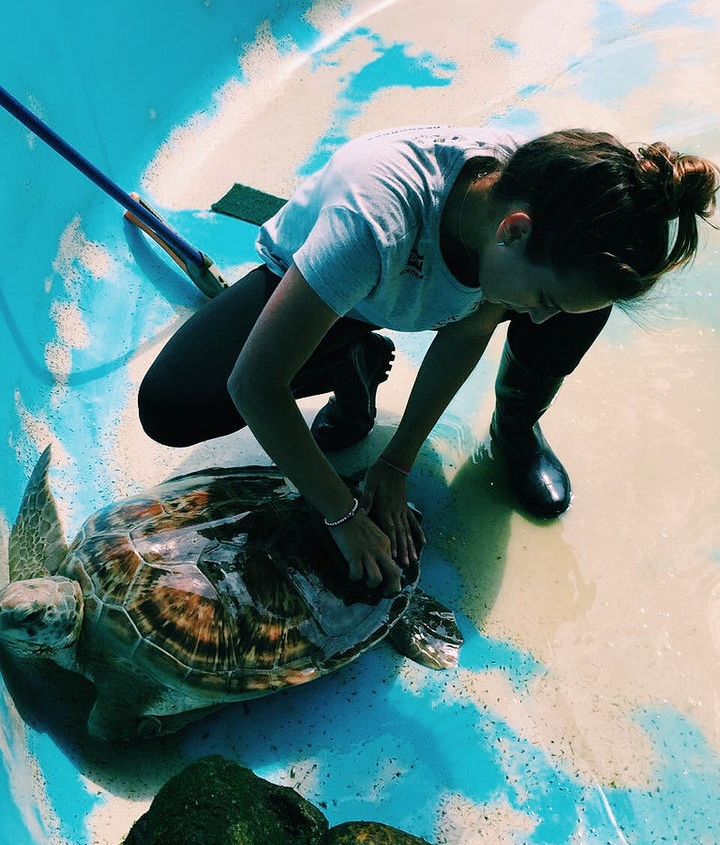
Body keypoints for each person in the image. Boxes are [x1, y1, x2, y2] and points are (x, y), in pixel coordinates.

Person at [138, 125, 718, 594]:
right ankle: (348, 361)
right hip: (337, 293)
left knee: (584, 297)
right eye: (538, 304)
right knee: (173, 406)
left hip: (435, 281)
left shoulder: (536, 202)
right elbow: (255, 385)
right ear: (514, 232)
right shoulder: (372, 223)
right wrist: (342, 516)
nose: (539, 323)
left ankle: (515, 426)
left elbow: (469, 331)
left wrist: (396, 463)